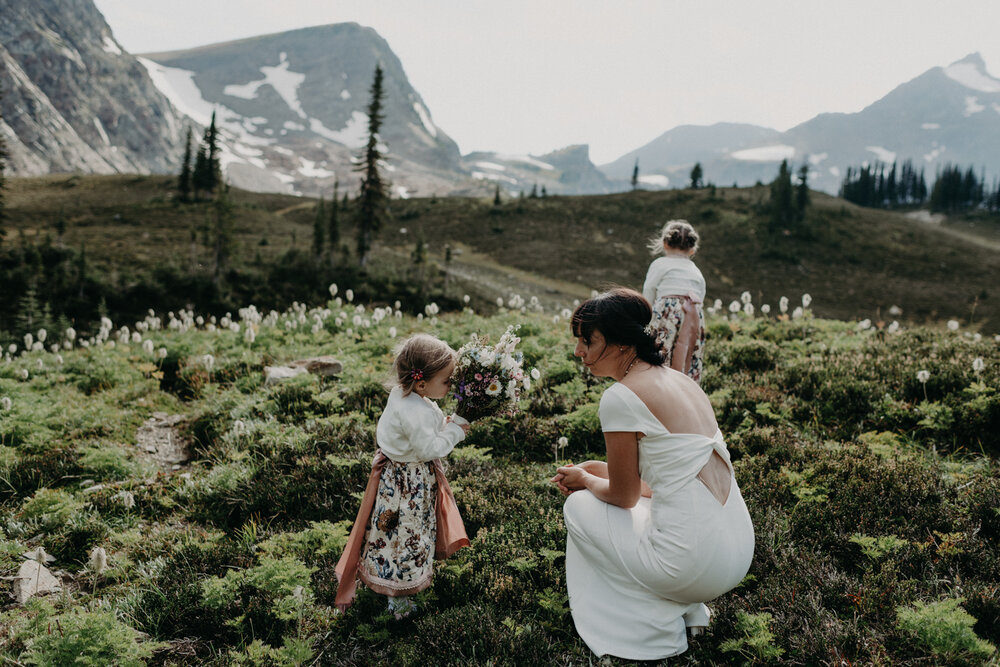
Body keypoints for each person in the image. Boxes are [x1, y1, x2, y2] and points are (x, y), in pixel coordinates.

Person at [550, 288, 754, 660]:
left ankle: (648, 626)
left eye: (587, 340)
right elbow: (669, 478)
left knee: (579, 507)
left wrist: (586, 482)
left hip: (691, 564)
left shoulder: (621, 397)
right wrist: (596, 469)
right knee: (633, 509)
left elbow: (625, 496)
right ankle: (686, 608)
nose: (578, 351)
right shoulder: (682, 381)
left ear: (621, 342)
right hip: (737, 553)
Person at [335, 333, 472, 617]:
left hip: (397, 479)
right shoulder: (414, 410)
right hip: (407, 485)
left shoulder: (405, 394)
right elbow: (428, 448)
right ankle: (398, 596)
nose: (450, 385)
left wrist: (444, 424)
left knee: (394, 532)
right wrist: (455, 432)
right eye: (447, 381)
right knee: (404, 533)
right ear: (422, 382)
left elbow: (419, 433)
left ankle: (396, 580)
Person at [642, 220, 707, 383]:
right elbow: (701, 297)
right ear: (692, 250)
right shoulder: (696, 270)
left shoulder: (660, 264)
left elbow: (649, 289)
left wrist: (645, 318)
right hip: (693, 316)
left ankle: (656, 384)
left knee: (660, 351)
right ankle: (686, 385)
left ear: (665, 243)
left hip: (667, 313)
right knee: (688, 353)